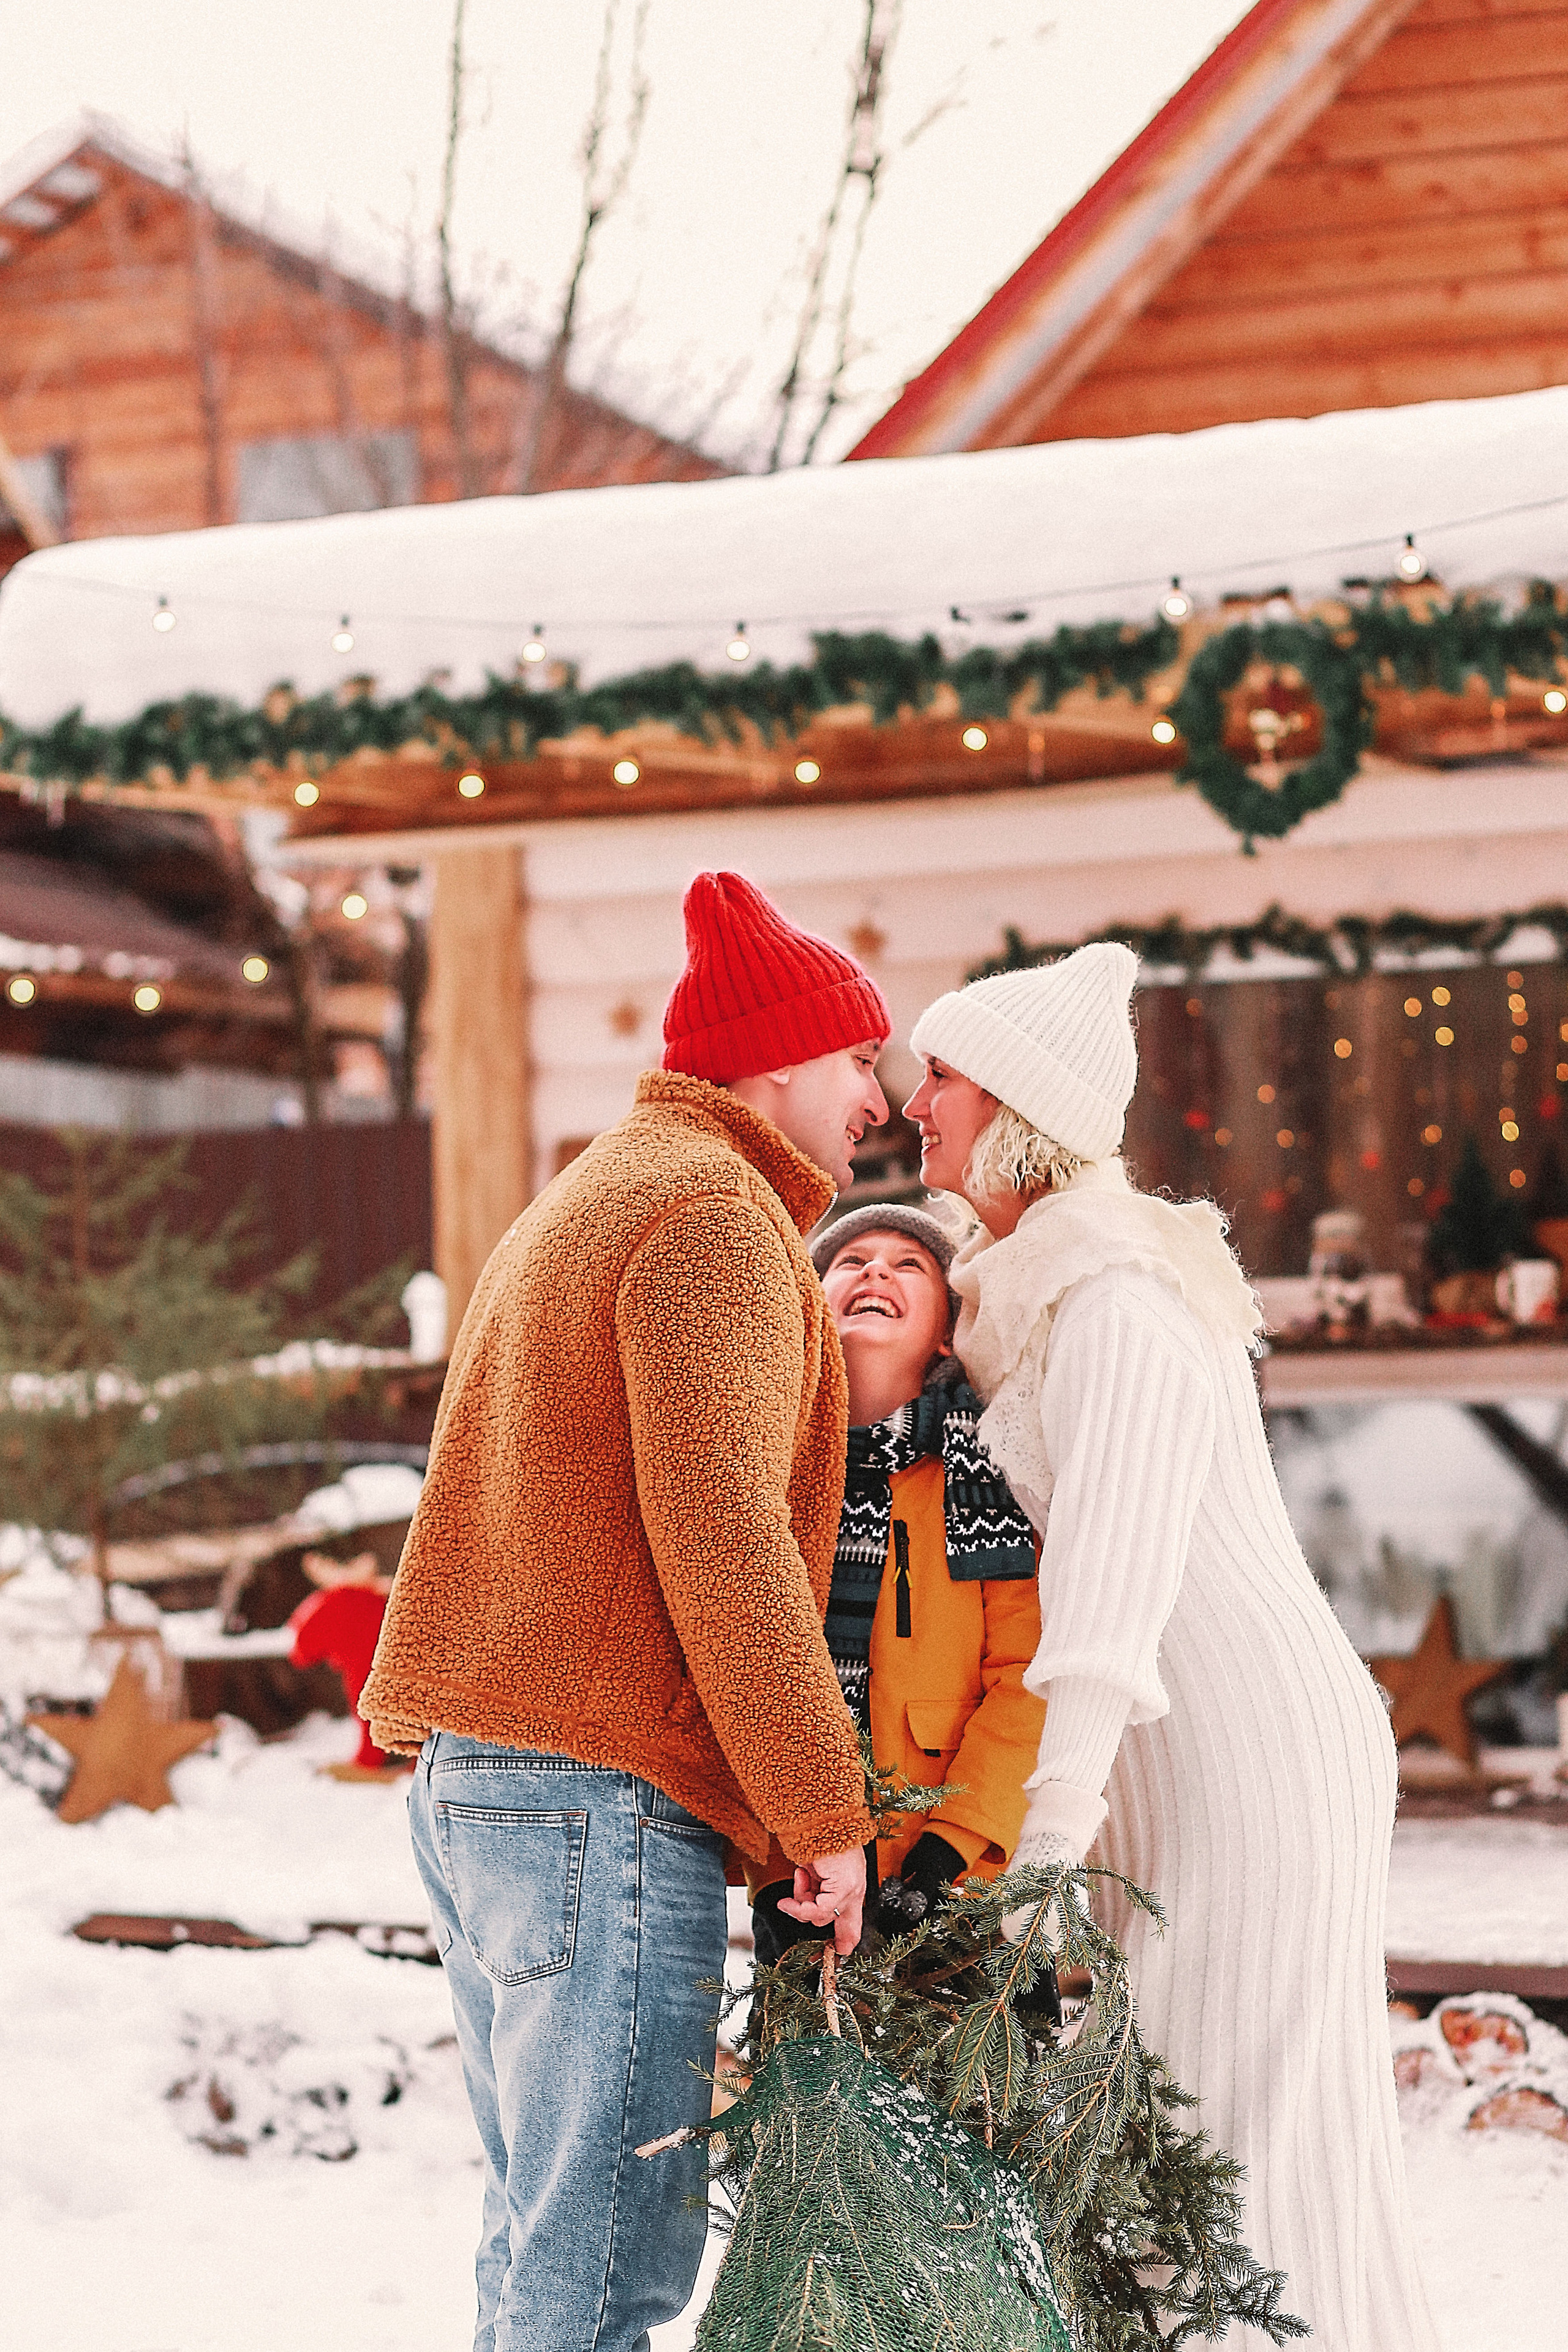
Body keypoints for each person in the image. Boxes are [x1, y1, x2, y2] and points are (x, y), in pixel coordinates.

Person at [361, 870, 889, 2352]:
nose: (875, 1097)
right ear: (775, 1059)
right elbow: (721, 1537)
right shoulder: (710, 1215)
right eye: (857, 1059)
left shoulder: (599, 1189)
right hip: (593, 1800)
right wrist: (818, 1807)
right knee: (599, 2269)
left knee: (548, 2236)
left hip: (495, 1790)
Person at [903, 944, 1439, 2352]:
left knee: (1228, 2140)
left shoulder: (1117, 1305)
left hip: (1239, 1748)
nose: (916, 1098)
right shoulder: (1031, 1292)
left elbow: (1109, 1595)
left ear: (1015, 1103)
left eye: (942, 1073)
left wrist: (1042, 1844)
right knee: (1202, 2135)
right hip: (1177, 1753)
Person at [748, 1204, 1047, 1968]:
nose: (875, 1269)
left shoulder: (978, 1479)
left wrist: (947, 1856)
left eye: (908, 1265)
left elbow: (1026, 1678)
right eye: (850, 1262)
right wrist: (779, 1867)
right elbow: (752, 1672)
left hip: (961, 1874)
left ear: (947, 1332)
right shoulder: (765, 1476)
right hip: (807, 1875)